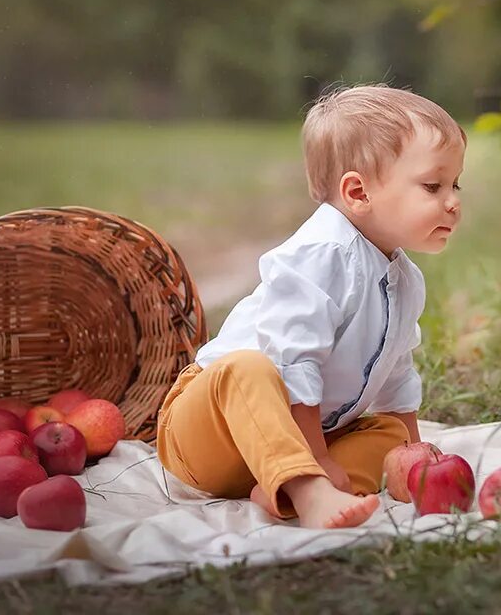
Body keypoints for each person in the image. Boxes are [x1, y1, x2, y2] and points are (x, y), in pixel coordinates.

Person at [156, 83, 466, 528]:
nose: (453, 202)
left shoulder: (405, 280)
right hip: (208, 430)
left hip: (282, 444)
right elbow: (292, 360)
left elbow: (396, 373)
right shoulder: (322, 253)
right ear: (358, 193)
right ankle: (308, 485)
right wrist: (316, 458)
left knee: (390, 436)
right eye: (433, 186)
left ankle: (281, 490)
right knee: (247, 368)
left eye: (455, 184)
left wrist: (415, 458)